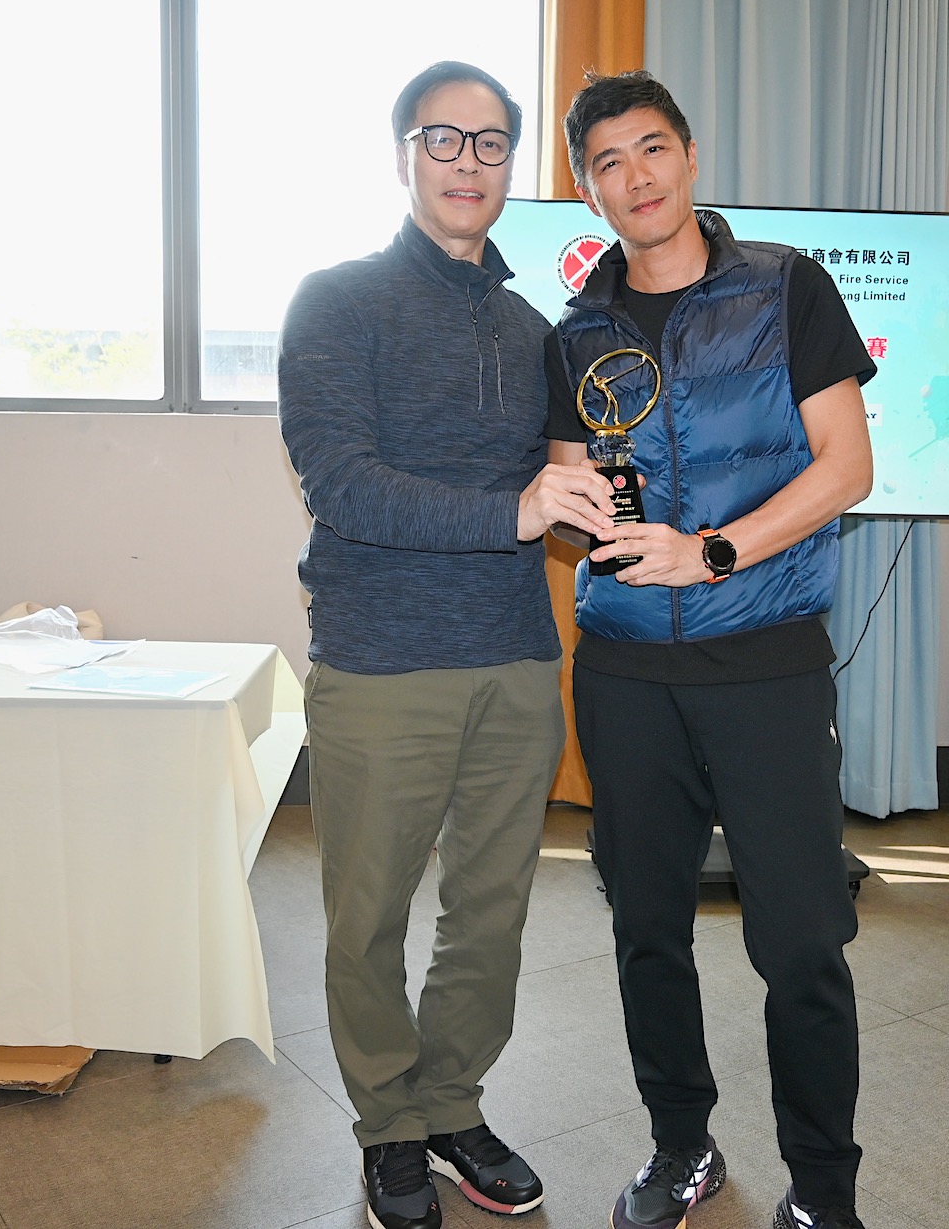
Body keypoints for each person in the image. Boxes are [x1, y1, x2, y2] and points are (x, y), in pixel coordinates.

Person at [277, 60, 618, 1229]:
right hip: (381, 663)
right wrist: (515, 511)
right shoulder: (336, 302)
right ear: (402, 154)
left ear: (510, 165)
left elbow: (557, 502)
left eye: (489, 143)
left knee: (490, 912)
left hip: (516, 659)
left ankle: (451, 1103)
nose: (467, 161)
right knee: (367, 915)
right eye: (443, 138)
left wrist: (605, 506)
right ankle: (387, 1124)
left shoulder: (536, 330)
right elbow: (342, 483)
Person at [544, 70, 875, 1229]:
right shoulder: (573, 333)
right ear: (587, 192)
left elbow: (846, 466)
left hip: (765, 664)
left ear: (687, 156)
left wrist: (713, 552)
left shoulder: (784, 286)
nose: (633, 177)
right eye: (606, 163)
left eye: (650, 149)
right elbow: (571, 490)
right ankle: (680, 1148)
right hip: (625, 674)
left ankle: (822, 1192)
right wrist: (574, 508)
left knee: (802, 943)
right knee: (646, 932)